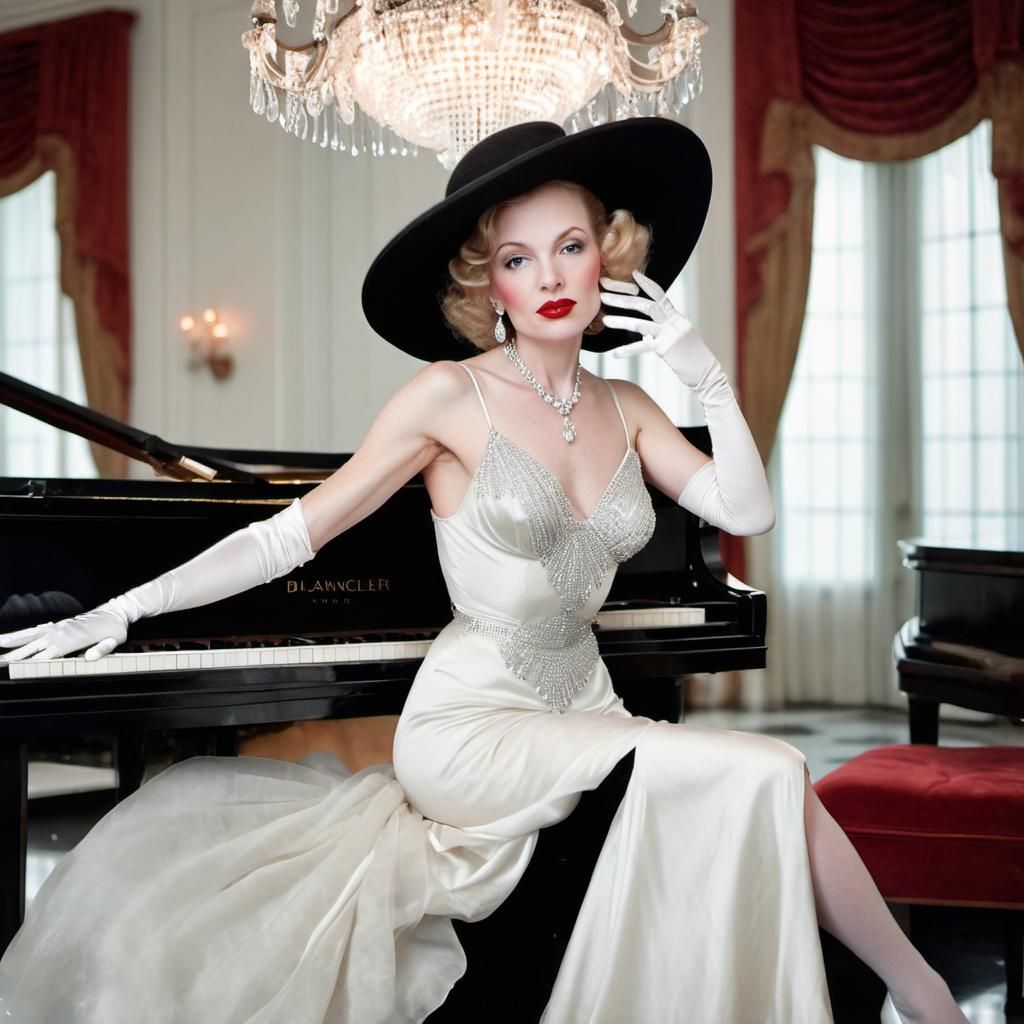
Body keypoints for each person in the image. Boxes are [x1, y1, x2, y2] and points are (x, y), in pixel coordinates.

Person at [0, 119, 964, 1024]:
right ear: (486, 284)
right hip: (472, 725)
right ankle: (925, 996)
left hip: (586, 708)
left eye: (571, 246)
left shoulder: (630, 404)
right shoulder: (446, 397)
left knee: (754, 781)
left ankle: (888, 995)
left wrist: (706, 376)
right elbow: (291, 534)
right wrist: (127, 608)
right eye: (516, 258)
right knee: (774, 764)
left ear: (611, 257)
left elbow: (747, 510)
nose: (548, 276)